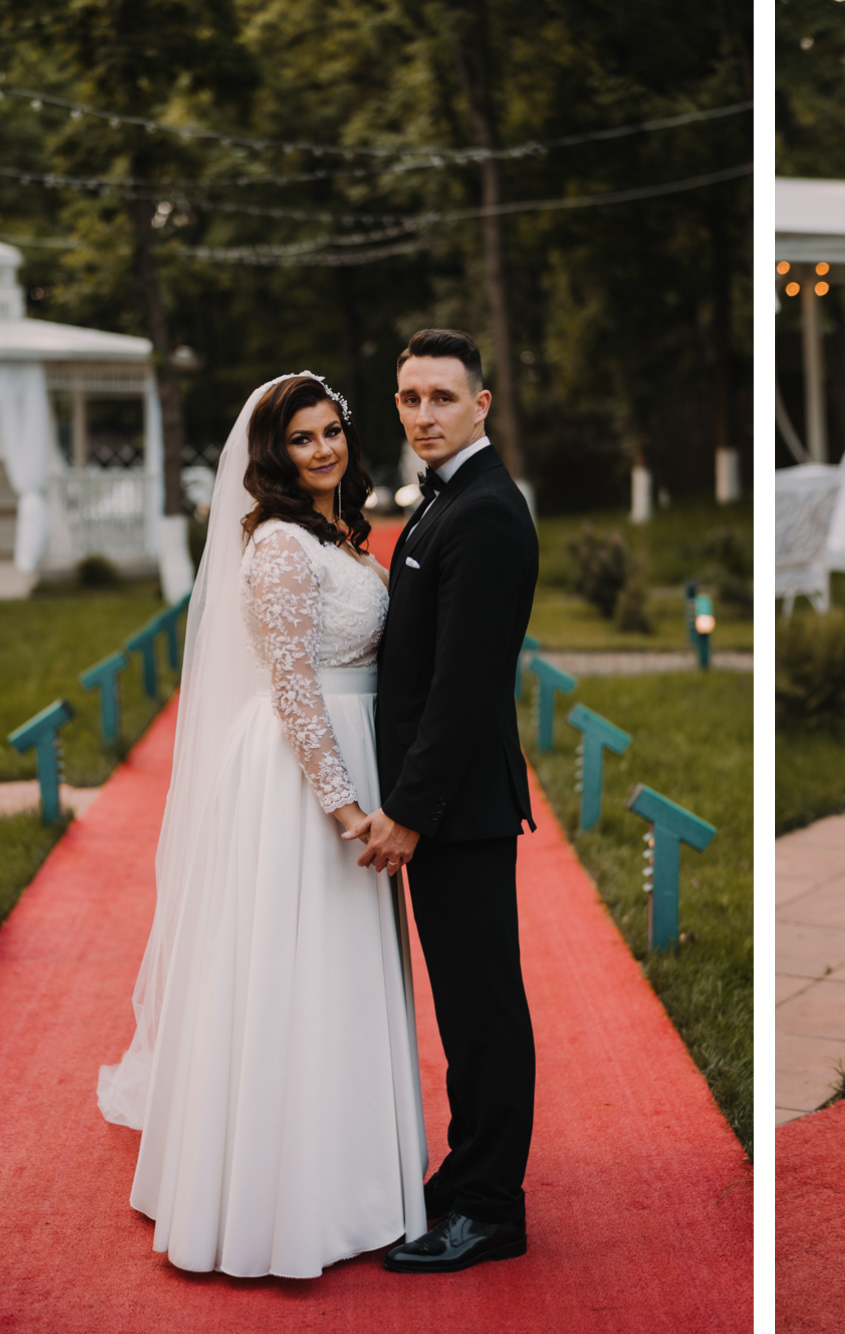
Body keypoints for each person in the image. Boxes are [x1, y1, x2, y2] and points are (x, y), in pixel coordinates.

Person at [99, 373, 426, 1278]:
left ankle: (353, 1178)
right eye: (301, 439)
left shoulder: (337, 534)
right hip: (300, 780)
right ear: (273, 454)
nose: (322, 450)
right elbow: (291, 688)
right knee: (291, 967)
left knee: (340, 972)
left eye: (331, 432)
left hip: (352, 751)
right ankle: (272, 1199)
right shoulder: (279, 545)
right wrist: (346, 806)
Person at [346, 329, 541, 1274]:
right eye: (410, 398)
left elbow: (463, 690)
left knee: (484, 1010)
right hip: (446, 806)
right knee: (464, 1009)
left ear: (481, 404)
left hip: (459, 811)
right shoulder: (443, 500)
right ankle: (467, 1175)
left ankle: (492, 1210)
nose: (424, 414)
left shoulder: (488, 513)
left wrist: (410, 811)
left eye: (442, 397)